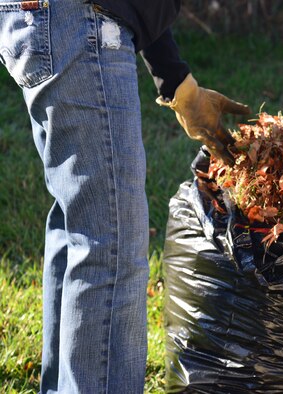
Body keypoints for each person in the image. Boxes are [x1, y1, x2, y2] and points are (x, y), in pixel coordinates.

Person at [0, 0, 249, 392]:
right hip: (81, 25)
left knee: (79, 226)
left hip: (46, 19)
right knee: (109, 246)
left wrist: (177, 82)